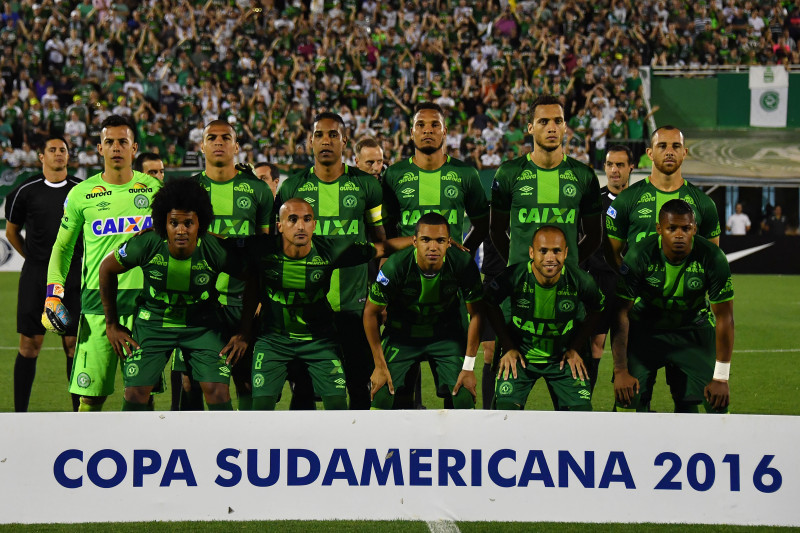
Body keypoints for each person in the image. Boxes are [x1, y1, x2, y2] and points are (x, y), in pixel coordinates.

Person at [241, 198, 413, 410]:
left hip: (319, 341)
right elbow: (223, 249)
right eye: (292, 220)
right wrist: (243, 332)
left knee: (337, 405)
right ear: (280, 226)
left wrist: (421, 239)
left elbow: (381, 248)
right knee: (260, 408)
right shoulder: (262, 249)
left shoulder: (330, 249)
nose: (300, 226)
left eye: (307, 219)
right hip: (273, 341)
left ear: (314, 224)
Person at [44, 114, 162, 411]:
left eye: (123, 141)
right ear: (100, 148)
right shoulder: (81, 194)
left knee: (141, 394)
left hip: (146, 305)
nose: (116, 147)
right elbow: (62, 247)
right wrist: (53, 292)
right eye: (109, 142)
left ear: (134, 148)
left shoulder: (155, 191)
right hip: (97, 305)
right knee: (90, 397)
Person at [98, 178, 247, 410]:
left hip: (202, 324)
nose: (181, 230)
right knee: (135, 394)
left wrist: (244, 333)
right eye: (173, 222)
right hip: (153, 321)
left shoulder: (215, 249)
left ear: (200, 224)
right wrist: (111, 325)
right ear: (162, 223)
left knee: (217, 392)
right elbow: (106, 268)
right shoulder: (146, 244)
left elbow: (254, 279)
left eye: (188, 223)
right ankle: (136, 445)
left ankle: (224, 445)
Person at [275, 112, 385, 410]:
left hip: (355, 305)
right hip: (306, 307)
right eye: (320, 135)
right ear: (310, 141)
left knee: (358, 387)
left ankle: (356, 452)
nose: (326, 140)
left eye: (333, 135)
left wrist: (383, 293)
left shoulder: (366, 186)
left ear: (344, 141)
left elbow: (381, 244)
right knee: (304, 391)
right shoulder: (291, 189)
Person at [176, 119, 273, 411]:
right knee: (189, 381)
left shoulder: (257, 190)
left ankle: (244, 445)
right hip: (197, 301)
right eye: (212, 137)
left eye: (226, 137)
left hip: (243, 300)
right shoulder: (188, 189)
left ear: (236, 146)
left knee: (244, 378)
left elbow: (264, 252)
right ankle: (195, 446)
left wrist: (260, 301)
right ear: (202, 145)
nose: (219, 142)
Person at [613, 200, 734, 414]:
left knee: (717, 403)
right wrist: (621, 370)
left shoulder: (713, 258)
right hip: (647, 330)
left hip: (693, 330)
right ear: (659, 229)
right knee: (627, 402)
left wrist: (722, 377)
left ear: (694, 229)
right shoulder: (639, 255)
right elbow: (620, 312)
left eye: (686, 228)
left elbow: (725, 317)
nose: (680, 235)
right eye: (672, 228)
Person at [365, 212, 485, 410]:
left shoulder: (463, 264)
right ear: (414, 241)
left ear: (449, 242)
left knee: (463, 394)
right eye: (425, 240)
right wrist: (379, 365)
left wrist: (469, 367)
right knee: (382, 392)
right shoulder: (395, 266)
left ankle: (460, 441)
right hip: (403, 335)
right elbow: (370, 312)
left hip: (445, 335)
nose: (432, 247)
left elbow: (477, 314)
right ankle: (381, 440)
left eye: (440, 240)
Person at [486, 225, 604, 410]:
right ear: (532, 252)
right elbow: (489, 303)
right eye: (543, 251)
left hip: (562, 359)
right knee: (505, 411)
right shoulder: (514, 276)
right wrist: (508, 347)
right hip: (521, 357)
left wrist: (575, 348)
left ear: (565, 253)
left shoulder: (581, 280)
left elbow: (598, 308)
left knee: (581, 413)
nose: (550, 258)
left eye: (556, 251)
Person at [5, 136, 82, 412]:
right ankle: (20, 415)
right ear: (41, 157)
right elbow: (12, 231)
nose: (59, 154)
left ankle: (80, 414)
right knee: (30, 344)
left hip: (73, 274)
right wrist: (34, 258)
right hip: (36, 275)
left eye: (63, 150)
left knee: (73, 344)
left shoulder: (81, 190)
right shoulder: (24, 191)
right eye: (53, 150)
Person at [491, 94, 602, 269]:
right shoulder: (508, 173)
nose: (552, 128)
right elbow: (497, 231)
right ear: (530, 128)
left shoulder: (584, 175)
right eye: (543, 122)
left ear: (565, 127)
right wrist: (518, 267)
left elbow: (594, 235)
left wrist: (568, 265)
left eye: (558, 121)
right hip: (522, 286)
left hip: (566, 286)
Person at [605, 125, 721, 269]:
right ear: (650, 153)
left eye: (676, 146)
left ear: (684, 153)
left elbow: (713, 258)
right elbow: (612, 254)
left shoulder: (704, 203)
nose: (669, 152)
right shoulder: (625, 200)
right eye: (662, 146)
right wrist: (631, 280)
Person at [383, 102, 489, 253]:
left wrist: (464, 256)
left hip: (451, 274)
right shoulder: (394, 174)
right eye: (420, 125)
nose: (428, 130)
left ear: (444, 132)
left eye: (435, 125)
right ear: (412, 133)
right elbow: (387, 227)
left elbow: (482, 224)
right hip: (407, 273)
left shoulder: (466, 173)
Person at [582, 145, 633, 393]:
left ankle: (622, 408)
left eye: (620, 165)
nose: (615, 170)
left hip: (630, 285)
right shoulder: (594, 203)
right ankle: (585, 404)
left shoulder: (639, 201)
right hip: (600, 283)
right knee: (595, 344)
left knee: (627, 349)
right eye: (611, 164)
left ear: (630, 168)